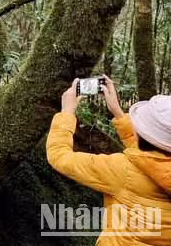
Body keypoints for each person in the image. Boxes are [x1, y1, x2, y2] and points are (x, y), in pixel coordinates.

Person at [46, 76, 171, 245]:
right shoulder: (157, 166)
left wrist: (66, 113)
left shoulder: (121, 170)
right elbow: (151, 158)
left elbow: (59, 156)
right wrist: (118, 113)